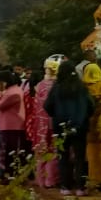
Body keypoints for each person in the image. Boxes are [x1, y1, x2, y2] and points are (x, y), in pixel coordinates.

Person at [44, 60, 93, 195]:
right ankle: (80, 187)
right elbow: (91, 105)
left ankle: (65, 186)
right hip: (80, 126)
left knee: (63, 156)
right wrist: (84, 117)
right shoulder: (82, 87)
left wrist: (56, 116)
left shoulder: (56, 87)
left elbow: (47, 106)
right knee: (80, 157)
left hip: (60, 126)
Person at [29, 57, 62, 188]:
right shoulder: (58, 85)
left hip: (41, 123)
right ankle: (51, 179)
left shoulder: (40, 85)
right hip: (54, 121)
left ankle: (41, 179)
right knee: (54, 150)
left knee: (41, 150)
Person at [0, 70, 29, 179]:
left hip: (10, 126)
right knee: (11, 152)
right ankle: (11, 174)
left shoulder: (13, 93)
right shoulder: (15, 90)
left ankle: (8, 175)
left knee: (7, 152)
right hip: (11, 125)